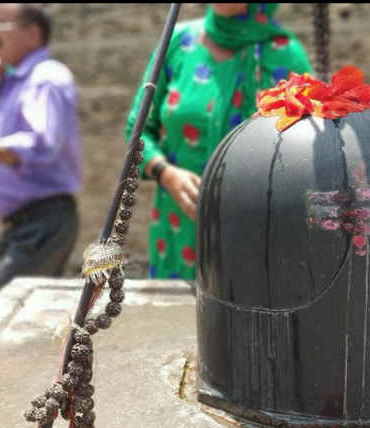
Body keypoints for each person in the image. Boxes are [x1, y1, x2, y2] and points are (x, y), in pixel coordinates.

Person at [127, 3, 312, 279]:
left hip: (257, 230)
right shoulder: (178, 42)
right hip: (179, 228)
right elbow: (137, 129)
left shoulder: (284, 54)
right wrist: (166, 174)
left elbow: (307, 148)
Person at [0, 3, 82, 292]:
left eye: (1, 22)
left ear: (32, 34)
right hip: (24, 224)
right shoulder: (12, 82)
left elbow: (42, 144)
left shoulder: (45, 78)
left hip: (42, 222)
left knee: (5, 304)